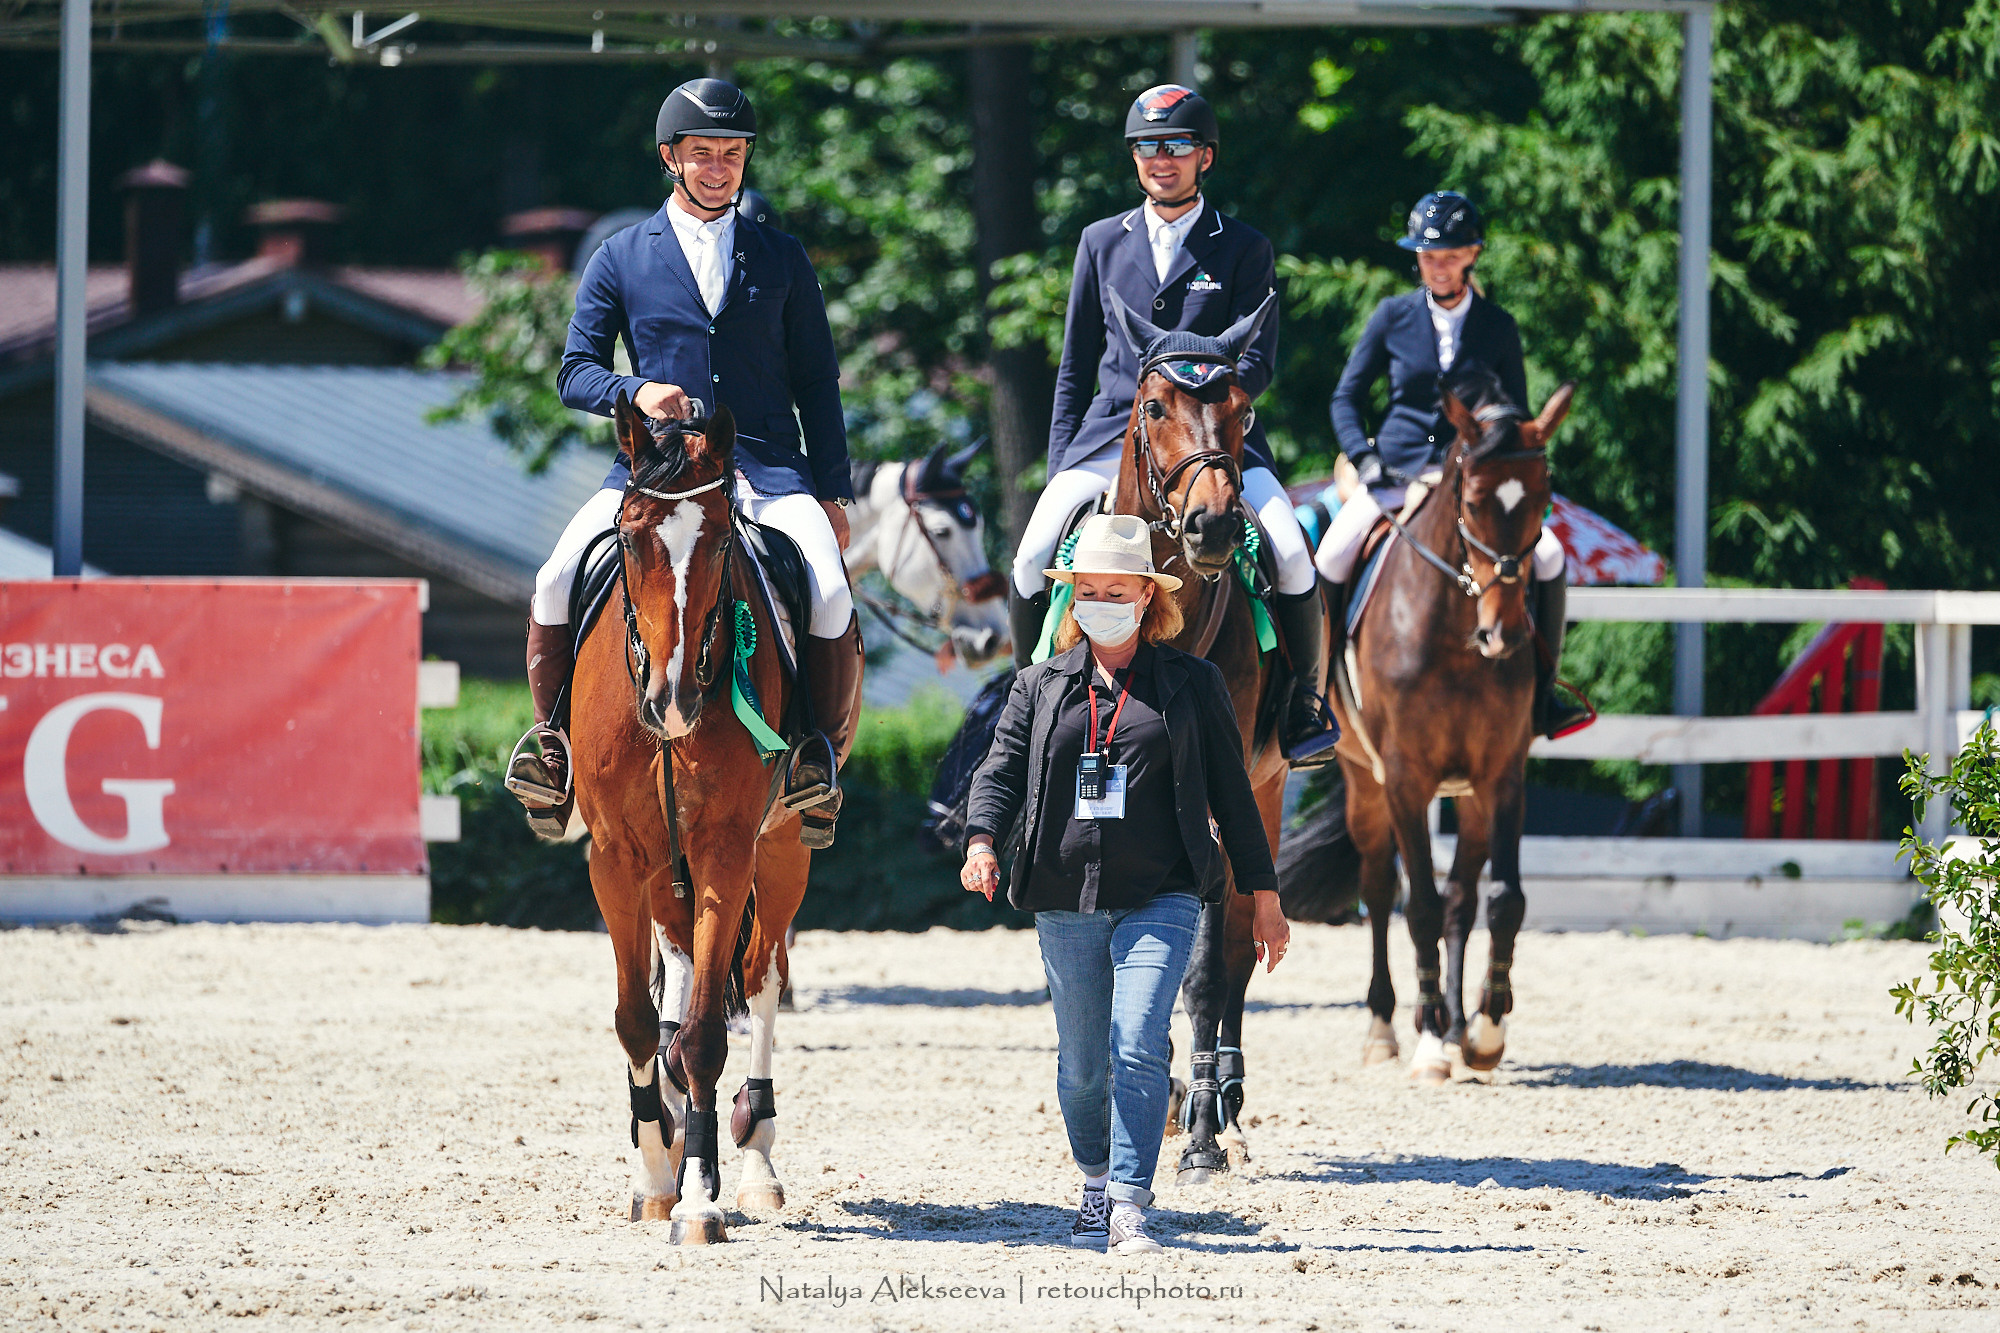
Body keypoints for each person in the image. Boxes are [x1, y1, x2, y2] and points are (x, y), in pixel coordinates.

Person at [506, 77, 864, 846]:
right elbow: (574, 371)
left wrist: (833, 489)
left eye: (731, 154)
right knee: (554, 576)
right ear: (671, 158)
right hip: (656, 474)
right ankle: (552, 751)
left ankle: (816, 760)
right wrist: (636, 389)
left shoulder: (782, 257)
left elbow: (817, 382)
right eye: (702, 153)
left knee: (830, 590)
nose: (718, 167)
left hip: (765, 465)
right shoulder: (622, 256)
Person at [963, 513, 1290, 1255]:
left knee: (1139, 1042)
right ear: (1072, 596)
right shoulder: (1038, 685)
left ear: (1148, 596)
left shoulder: (1194, 682)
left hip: (1164, 891)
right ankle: (1092, 1180)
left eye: (1119, 588)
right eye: (1090, 589)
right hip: (1062, 892)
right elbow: (1000, 770)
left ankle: (1128, 1203)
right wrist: (982, 838)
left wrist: (1263, 895)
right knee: (1082, 1066)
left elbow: (1236, 797)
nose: (1103, 599)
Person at [1012, 83, 1338, 767]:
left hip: (1214, 439)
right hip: (1111, 436)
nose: (1163, 159)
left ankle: (1305, 704)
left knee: (1290, 547)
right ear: (1135, 159)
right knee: (1033, 549)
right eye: (1148, 147)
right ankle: (1028, 698)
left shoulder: (1244, 247)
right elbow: (1076, 365)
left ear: (1206, 156)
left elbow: (1259, 360)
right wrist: (1059, 469)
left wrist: (1213, 419)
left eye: (1178, 146)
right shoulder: (1101, 241)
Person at [1315, 190, 1587, 738]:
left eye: (1450, 254)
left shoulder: (1497, 325)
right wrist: (1365, 459)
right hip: (1396, 475)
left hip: (1474, 482)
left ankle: (1545, 690)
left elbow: (1515, 416)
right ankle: (1314, 695)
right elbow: (1345, 398)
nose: (1437, 265)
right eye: (1427, 255)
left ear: (1473, 254)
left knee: (1551, 555)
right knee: (1332, 556)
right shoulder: (1392, 316)